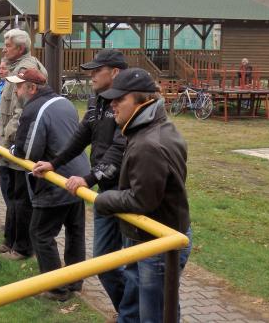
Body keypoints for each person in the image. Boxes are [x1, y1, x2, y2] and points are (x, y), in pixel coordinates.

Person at [93, 67, 192, 323]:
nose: (112, 104)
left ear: (143, 101)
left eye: (119, 99)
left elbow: (142, 200)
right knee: (140, 307)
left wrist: (103, 200)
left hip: (157, 244)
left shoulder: (149, 143)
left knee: (156, 316)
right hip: (150, 237)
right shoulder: (148, 129)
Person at [33, 49, 127, 317]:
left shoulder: (128, 101)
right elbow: (81, 135)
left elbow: (119, 149)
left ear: (115, 73)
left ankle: (131, 315)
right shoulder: (97, 99)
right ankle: (127, 313)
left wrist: (88, 178)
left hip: (128, 191)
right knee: (104, 261)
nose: (92, 76)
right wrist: (55, 163)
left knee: (135, 266)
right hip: (105, 192)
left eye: (97, 71)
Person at [10, 68, 90, 302]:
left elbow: (29, 151)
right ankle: (75, 282)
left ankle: (56, 288)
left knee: (40, 233)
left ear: (31, 88)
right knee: (75, 231)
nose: (16, 91)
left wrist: (15, 150)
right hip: (78, 177)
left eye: (19, 86)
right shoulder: (64, 101)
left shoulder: (34, 109)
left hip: (56, 180)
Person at [0, 29, 47, 260]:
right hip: (7, 145)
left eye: (7, 45)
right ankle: (10, 239)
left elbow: (21, 111)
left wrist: (6, 138)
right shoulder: (15, 67)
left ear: (21, 48)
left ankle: (23, 246)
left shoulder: (27, 70)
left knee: (20, 198)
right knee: (11, 195)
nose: (4, 48)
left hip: (17, 145)